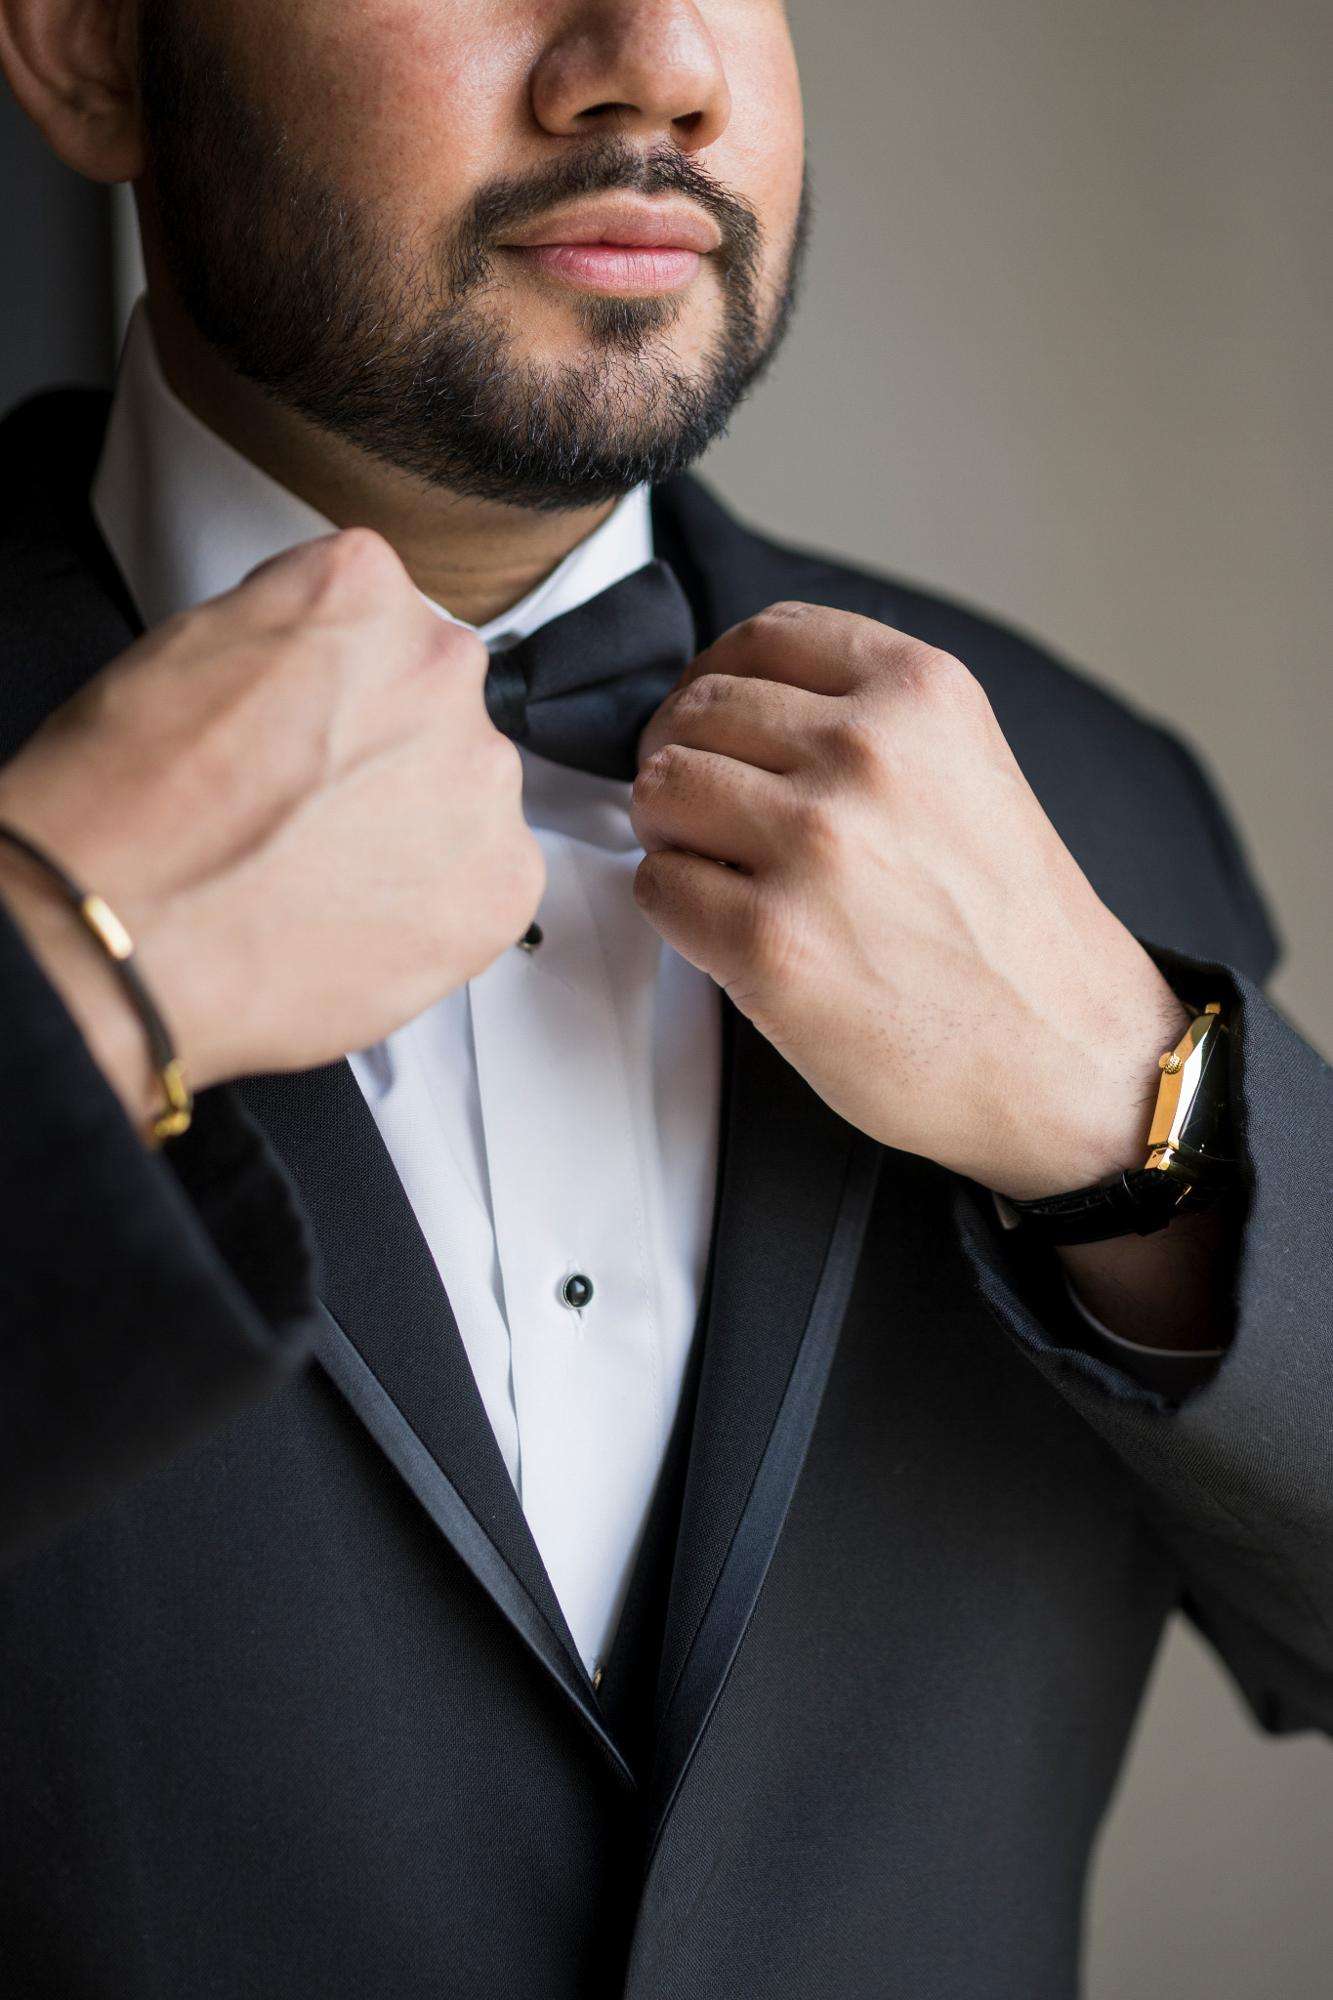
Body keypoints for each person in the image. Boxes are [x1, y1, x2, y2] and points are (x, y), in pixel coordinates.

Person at [0, 2, 1327, 1995]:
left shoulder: (1088, 795)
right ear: (95, 51)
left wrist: (1138, 1112)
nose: (658, 58)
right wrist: (64, 976)